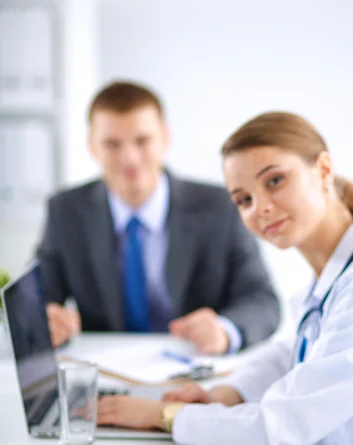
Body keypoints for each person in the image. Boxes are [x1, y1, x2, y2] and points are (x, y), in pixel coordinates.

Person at [96, 111, 353, 445]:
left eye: (274, 181)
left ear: (324, 170)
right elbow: (292, 352)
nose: (261, 208)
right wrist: (226, 393)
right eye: (243, 199)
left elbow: (283, 425)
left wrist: (162, 417)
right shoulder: (333, 271)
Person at [37, 81, 280, 354]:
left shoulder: (219, 208)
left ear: (165, 137)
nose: (129, 158)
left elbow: (262, 300)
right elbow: (37, 296)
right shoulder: (65, 211)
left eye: (142, 141)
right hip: (107, 370)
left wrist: (225, 330)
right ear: (92, 146)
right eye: (112, 144)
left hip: (197, 368)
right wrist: (44, 319)